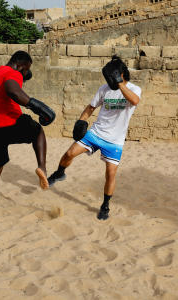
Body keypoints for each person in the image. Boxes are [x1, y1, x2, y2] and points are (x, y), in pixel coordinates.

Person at [47, 55, 141, 220]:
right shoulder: (104, 89)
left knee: (110, 173)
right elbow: (91, 107)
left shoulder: (134, 89)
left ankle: (105, 205)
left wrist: (119, 83)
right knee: (70, 153)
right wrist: (81, 120)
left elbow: (134, 101)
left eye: (112, 76)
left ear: (121, 74)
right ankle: (59, 172)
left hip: (115, 141)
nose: (109, 80)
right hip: (96, 133)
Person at [0, 51, 55, 224]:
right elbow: (13, 90)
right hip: (11, 124)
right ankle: (42, 168)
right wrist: (36, 106)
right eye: (26, 70)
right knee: (37, 131)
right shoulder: (13, 73)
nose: (25, 74)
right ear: (21, 66)